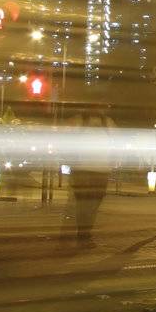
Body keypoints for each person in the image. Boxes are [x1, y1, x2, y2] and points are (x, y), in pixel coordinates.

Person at [67, 103, 116, 248]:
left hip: (99, 171)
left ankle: (84, 234)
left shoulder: (108, 123)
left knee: (91, 205)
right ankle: (83, 235)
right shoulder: (79, 121)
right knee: (85, 205)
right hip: (84, 171)